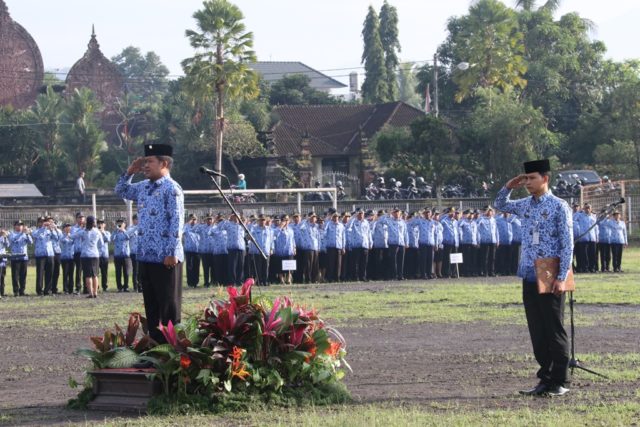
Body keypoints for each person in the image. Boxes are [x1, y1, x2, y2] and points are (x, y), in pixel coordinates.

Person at [495, 159, 572, 397]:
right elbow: (499, 204)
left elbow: (567, 244)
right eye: (525, 179)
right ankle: (545, 378)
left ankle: (560, 380)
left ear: (545, 178)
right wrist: (509, 185)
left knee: (553, 328)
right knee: (537, 329)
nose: (528, 183)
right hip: (528, 270)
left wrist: (561, 277)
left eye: (532, 178)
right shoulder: (526, 204)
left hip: (549, 270)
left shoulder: (559, 206)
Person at [115, 142, 184, 345]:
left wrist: (172, 252)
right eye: (144, 162)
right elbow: (121, 190)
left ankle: (170, 351)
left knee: (169, 307)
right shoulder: (143, 187)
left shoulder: (172, 189)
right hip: (145, 256)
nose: (145, 166)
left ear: (164, 163)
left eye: (149, 162)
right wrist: (129, 172)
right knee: (152, 308)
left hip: (166, 258)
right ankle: (155, 350)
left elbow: (177, 222)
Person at [71, 216, 105, 298]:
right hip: (95, 254)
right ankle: (95, 292)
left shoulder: (83, 231)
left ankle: (90, 293)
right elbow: (101, 244)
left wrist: (81, 227)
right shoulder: (97, 232)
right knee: (95, 275)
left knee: (88, 275)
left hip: (85, 254)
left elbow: (73, 236)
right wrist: (98, 251)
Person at [8, 221, 32, 296]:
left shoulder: (25, 234)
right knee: (15, 276)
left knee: (23, 275)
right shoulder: (12, 234)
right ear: (14, 226)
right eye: (18, 225)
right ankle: (16, 291)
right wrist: (22, 233)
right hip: (15, 257)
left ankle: (22, 291)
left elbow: (31, 242)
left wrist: (27, 234)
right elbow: (14, 240)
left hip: (24, 257)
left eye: (21, 225)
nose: (20, 227)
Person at [111, 219, 133, 292]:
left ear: (124, 224)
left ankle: (126, 286)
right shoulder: (115, 232)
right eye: (118, 223)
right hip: (117, 255)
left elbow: (129, 237)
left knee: (126, 272)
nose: (120, 225)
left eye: (121, 223)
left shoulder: (127, 232)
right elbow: (112, 239)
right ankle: (119, 287)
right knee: (118, 272)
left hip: (126, 255)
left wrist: (123, 231)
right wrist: (116, 231)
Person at [97, 219, 110, 292]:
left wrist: (103, 232)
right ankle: (96, 286)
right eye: (99, 223)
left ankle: (105, 286)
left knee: (104, 272)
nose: (100, 225)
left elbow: (108, 239)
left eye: (102, 224)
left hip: (105, 255)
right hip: (97, 255)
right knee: (96, 272)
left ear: (104, 225)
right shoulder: (95, 233)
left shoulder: (107, 232)